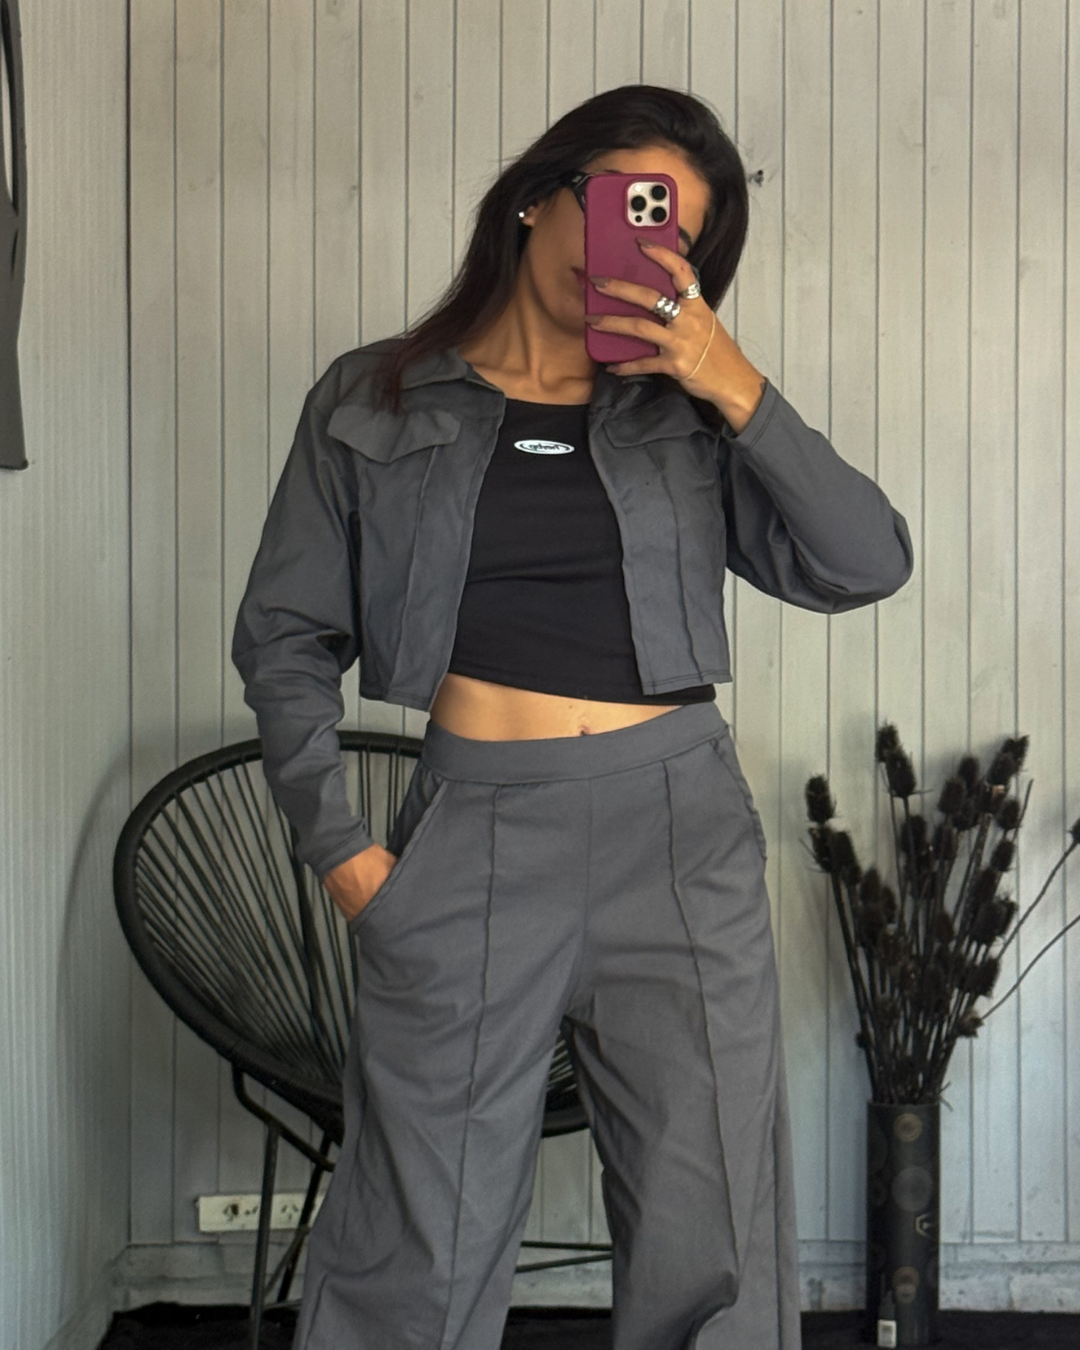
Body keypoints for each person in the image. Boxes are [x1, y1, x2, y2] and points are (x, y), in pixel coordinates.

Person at [231, 84, 913, 1350]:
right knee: (415, 1244)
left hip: (680, 835)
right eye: (627, 206)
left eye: (678, 236)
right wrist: (345, 854)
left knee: (711, 1235)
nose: (644, 246)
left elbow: (865, 562)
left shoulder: (686, 415)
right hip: (472, 838)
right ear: (542, 199)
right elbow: (283, 636)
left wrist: (733, 383)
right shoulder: (373, 397)